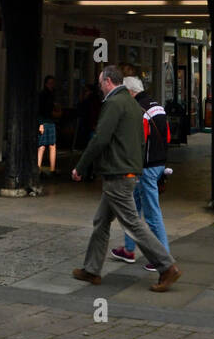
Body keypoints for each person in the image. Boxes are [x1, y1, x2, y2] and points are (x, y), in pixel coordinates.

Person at [71, 66, 181, 292]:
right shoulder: (133, 104)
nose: (99, 87)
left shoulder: (113, 104)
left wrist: (81, 167)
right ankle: (91, 269)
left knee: (133, 223)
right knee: (101, 221)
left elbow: (100, 139)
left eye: (101, 82)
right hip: (127, 172)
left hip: (117, 174)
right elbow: (141, 140)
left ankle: (167, 266)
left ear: (109, 81)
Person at [111, 75, 171, 273]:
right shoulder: (157, 106)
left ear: (129, 92)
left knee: (151, 213)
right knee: (133, 208)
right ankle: (129, 249)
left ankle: (162, 258)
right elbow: (167, 135)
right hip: (158, 163)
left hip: (145, 168)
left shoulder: (138, 110)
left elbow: (136, 141)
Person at [37, 75, 59, 173]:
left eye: (53, 83)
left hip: (51, 121)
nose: (51, 85)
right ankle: (38, 168)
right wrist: (40, 124)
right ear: (46, 84)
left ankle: (52, 169)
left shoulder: (52, 95)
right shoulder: (42, 95)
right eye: (50, 83)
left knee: (52, 145)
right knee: (42, 146)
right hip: (44, 121)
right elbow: (39, 110)